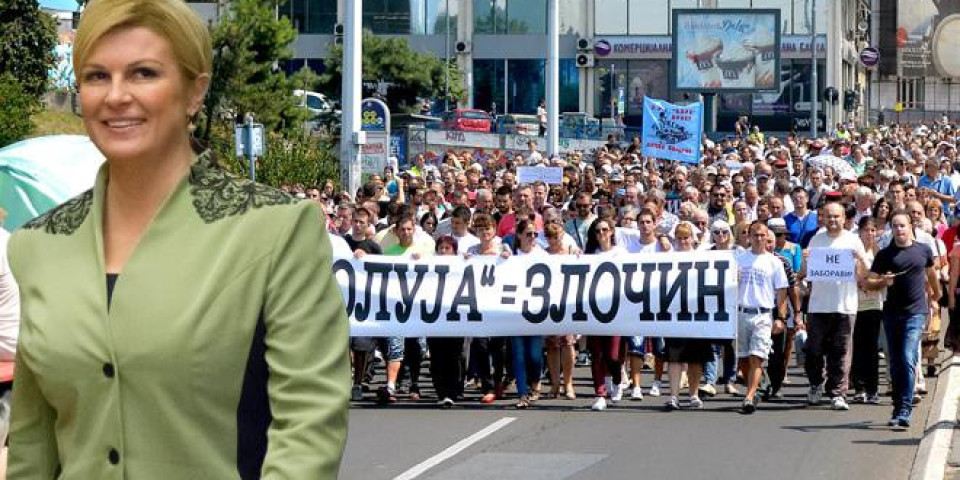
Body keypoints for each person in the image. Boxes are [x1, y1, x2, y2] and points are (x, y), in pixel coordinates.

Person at [6, 0, 350, 477]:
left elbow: (309, 424)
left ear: (195, 91)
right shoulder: (38, 245)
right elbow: (32, 442)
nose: (116, 95)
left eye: (143, 73)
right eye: (97, 76)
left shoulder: (275, 230)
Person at [866, 211, 940, 428]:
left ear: (910, 227)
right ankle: (898, 405)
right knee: (897, 362)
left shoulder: (923, 250)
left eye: (902, 225)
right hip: (891, 314)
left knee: (908, 357)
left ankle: (904, 409)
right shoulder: (885, 255)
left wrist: (936, 297)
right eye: (895, 226)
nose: (899, 229)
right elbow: (868, 282)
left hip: (915, 313)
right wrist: (883, 282)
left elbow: (931, 275)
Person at [802, 202, 866, 410]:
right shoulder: (816, 239)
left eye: (836, 216)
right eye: (828, 216)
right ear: (823, 217)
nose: (832, 220)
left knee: (841, 351)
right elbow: (805, 273)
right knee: (813, 350)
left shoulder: (853, 240)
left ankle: (838, 393)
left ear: (844, 218)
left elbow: (865, 274)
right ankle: (815, 383)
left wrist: (859, 260)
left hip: (845, 306)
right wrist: (805, 260)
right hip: (818, 305)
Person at [735, 221, 789, 413]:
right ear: (749, 237)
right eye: (755, 235)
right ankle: (755, 388)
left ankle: (749, 397)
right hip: (741, 313)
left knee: (756, 356)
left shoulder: (774, 262)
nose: (758, 239)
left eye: (762, 235)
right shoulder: (739, 259)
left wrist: (780, 317)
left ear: (767, 237)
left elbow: (781, 291)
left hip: (763, 315)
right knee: (743, 358)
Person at [662, 223, 714, 410]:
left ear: (693, 238)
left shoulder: (702, 257)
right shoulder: (668, 259)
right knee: (674, 357)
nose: (683, 241)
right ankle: (673, 396)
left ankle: (693, 394)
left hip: (697, 313)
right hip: (675, 313)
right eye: (680, 238)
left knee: (695, 358)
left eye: (686, 237)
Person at [584, 218, 627, 411]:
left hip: (616, 310)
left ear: (611, 232)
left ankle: (617, 380)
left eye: (604, 229)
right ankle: (600, 393)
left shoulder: (620, 253)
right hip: (594, 309)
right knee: (597, 354)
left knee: (613, 355)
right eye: (597, 230)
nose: (601, 233)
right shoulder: (590, 254)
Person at [509, 219, 546, 408]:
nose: (532, 237)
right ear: (519, 235)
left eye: (535, 234)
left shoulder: (542, 255)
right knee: (519, 355)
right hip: (515, 311)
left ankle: (535, 381)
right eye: (528, 234)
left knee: (534, 356)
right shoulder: (511, 254)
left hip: (536, 312)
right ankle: (522, 393)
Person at [427, 236, 465, 408]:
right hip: (434, 319)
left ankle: (452, 391)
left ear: (454, 251)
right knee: (437, 356)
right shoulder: (429, 266)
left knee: (454, 355)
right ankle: (441, 392)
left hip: (455, 318)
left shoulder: (461, 265)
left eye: (447, 248)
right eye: (441, 248)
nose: (443, 251)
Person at [851, 216, 884, 405]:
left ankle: (872, 389)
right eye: (866, 230)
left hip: (873, 305)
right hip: (854, 305)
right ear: (860, 232)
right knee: (856, 347)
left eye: (873, 230)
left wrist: (870, 282)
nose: (870, 234)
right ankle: (859, 387)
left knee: (871, 348)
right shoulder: (853, 253)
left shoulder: (879, 254)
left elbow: (879, 280)